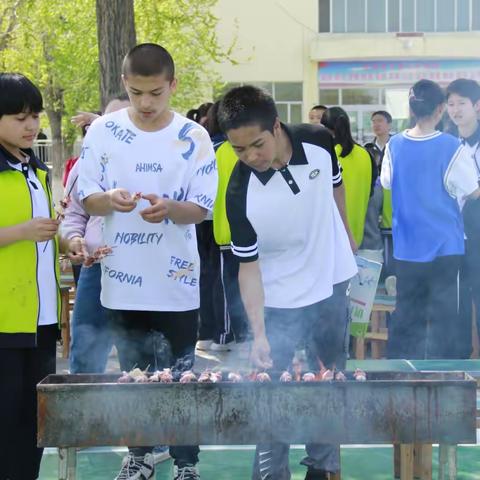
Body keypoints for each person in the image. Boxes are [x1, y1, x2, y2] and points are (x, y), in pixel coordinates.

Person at [78, 43, 217, 480]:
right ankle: (138, 456)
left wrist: (170, 210)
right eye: (137, 92)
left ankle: (187, 463)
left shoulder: (193, 138)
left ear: (172, 85)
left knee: (182, 376)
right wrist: (109, 200)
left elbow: (201, 209)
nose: (146, 103)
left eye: (156, 93)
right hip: (121, 278)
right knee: (134, 372)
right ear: (125, 84)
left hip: (177, 280)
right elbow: (87, 198)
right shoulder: (102, 131)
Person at [219, 85, 357, 480]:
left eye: (257, 145)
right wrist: (258, 333)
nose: (251, 157)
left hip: (329, 283)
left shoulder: (318, 140)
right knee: (272, 392)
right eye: (239, 150)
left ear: (276, 126)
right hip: (276, 296)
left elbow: (334, 185)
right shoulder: (239, 190)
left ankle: (321, 470)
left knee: (327, 385)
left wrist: (345, 234)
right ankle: (270, 473)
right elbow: (248, 268)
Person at [381, 79, 480, 359]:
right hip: (445, 250)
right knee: (445, 319)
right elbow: (473, 191)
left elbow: (386, 182)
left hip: (407, 249)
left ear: (412, 109)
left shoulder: (394, 145)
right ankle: (444, 380)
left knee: (406, 315)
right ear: (440, 109)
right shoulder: (451, 147)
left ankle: (399, 376)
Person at [0, 73, 62, 480]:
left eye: (35, 115)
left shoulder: (36, 171)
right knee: (5, 424)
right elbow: (24, 233)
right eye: (20, 117)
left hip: (41, 323)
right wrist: (21, 232)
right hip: (5, 323)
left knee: (35, 426)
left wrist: (72, 246)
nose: (31, 125)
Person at [61, 93, 130, 374]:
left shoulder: (164, 159)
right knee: (86, 359)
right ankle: (84, 415)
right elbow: (73, 213)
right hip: (96, 271)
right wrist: (73, 238)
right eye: (108, 122)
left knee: (144, 360)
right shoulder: (87, 162)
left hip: (150, 273)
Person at [446, 78, 480, 357]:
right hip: (453, 239)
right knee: (455, 305)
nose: (455, 110)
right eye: (451, 104)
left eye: (461, 104)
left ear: (477, 106)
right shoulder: (444, 144)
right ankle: (457, 369)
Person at [321, 107, 372, 247]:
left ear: (325, 128)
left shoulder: (327, 155)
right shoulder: (365, 154)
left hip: (333, 238)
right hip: (357, 237)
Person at [362, 111, 393, 267]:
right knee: (371, 224)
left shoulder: (397, 145)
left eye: (380, 121)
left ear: (389, 124)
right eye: (373, 121)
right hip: (374, 192)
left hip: (393, 192)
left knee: (391, 228)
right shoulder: (367, 148)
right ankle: (374, 259)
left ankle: (391, 267)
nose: (376, 124)